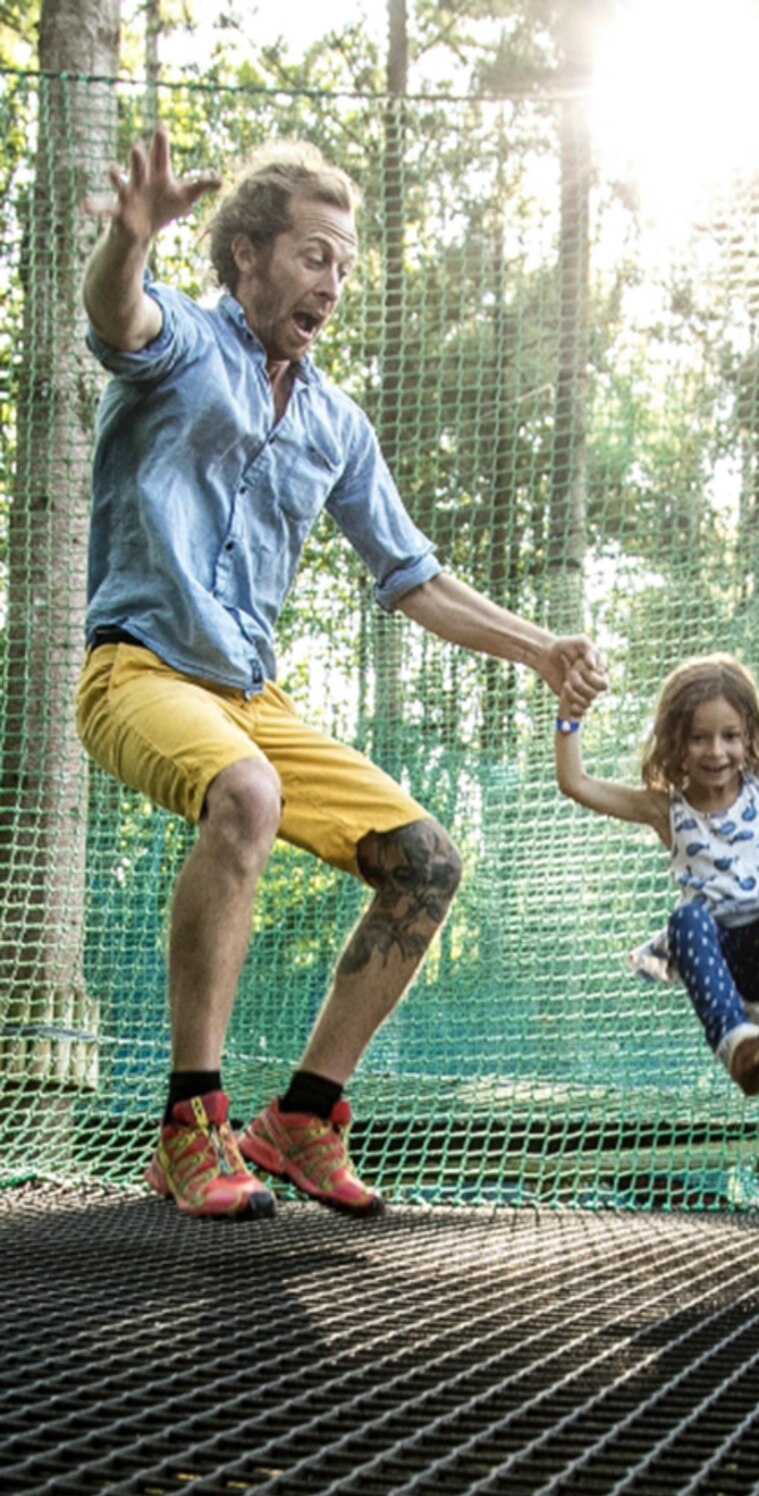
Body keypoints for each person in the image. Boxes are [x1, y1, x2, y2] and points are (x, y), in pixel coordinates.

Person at [76, 123, 607, 1222]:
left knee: (427, 861)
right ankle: (190, 1127)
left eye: (345, 266)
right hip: (138, 675)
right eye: (315, 255)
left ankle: (303, 1118)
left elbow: (414, 578)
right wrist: (128, 243)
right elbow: (114, 317)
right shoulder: (183, 344)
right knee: (246, 794)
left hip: (249, 697)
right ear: (247, 259)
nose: (333, 282)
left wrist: (539, 647)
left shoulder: (334, 423)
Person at [553, 654, 759, 1095]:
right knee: (685, 920)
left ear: (748, 735)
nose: (716, 752)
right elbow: (577, 782)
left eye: (730, 736)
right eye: (698, 738)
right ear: (675, 742)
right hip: (723, 961)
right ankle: (734, 1038)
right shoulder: (664, 808)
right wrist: (569, 719)